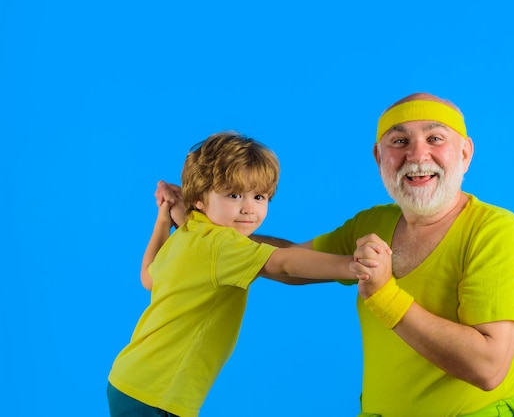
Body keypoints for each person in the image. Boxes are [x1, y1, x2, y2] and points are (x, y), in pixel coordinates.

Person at [158, 93, 514, 417]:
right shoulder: (374, 222)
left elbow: (488, 367)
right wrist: (207, 228)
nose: (417, 155)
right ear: (379, 157)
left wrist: (385, 295)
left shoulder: (496, 232)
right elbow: (291, 263)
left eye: (435, 138)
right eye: (399, 141)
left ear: (465, 153)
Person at [108, 132, 381, 417]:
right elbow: (283, 263)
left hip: (130, 381)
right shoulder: (221, 244)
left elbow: (148, 278)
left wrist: (163, 219)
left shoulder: (189, 233)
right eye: (234, 195)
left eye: (260, 196)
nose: (249, 208)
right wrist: (352, 265)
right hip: (156, 395)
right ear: (198, 198)